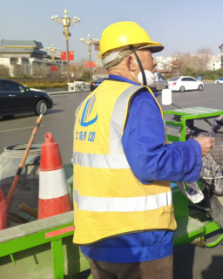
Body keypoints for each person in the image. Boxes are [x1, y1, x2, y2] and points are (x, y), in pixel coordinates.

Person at [72, 22, 215, 279]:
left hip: (94, 236)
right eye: (150, 55)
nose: (156, 63)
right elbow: (150, 164)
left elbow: (118, 156)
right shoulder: (136, 97)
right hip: (136, 240)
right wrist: (194, 148)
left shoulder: (90, 101)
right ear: (131, 61)